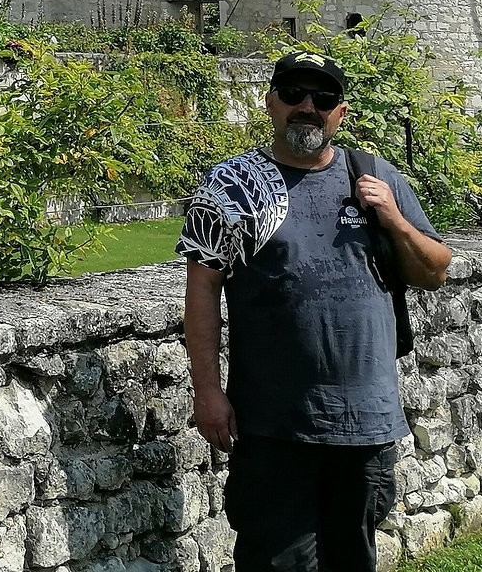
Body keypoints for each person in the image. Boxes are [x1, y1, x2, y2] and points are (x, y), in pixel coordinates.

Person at [178, 50, 452, 572]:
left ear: (340, 112)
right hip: (274, 424)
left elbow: (435, 271)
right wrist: (208, 393)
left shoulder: (373, 176)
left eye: (323, 97)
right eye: (294, 94)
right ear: (270, 102)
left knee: (353, 558)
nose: (307, 106)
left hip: (367, 422)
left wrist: (392, 218)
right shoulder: (231, 186)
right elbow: (203, 294)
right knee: (276, 562)